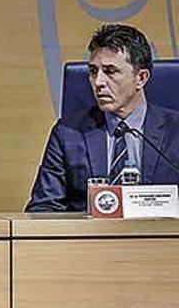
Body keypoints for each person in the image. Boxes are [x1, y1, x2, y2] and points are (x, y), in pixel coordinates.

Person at [26, 23, 179, 212]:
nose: (98, 82)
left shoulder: (175, 131)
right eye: (93, 71)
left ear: (141, 77)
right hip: (88, 239)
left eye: (110, 71)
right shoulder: (68, 133)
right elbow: (44, 209)